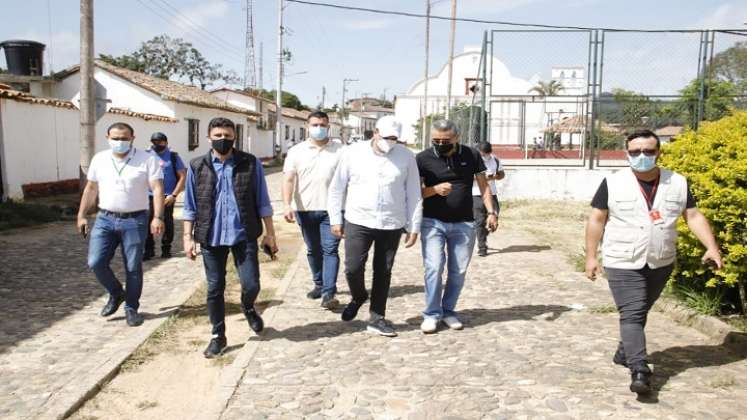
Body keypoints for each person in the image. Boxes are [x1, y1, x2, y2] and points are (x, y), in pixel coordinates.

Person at [585, 129, 723, 395]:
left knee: (639, 310)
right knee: (633, 312)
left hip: (661, 260)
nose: (642, 156)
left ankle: (626, 349)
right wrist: (591, 257)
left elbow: (692, 216)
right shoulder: (612, 182)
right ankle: (640, 369)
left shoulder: (678, 182)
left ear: (658, 152)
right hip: (622, 259)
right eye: (635, 152)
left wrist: (712, 247)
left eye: (648, 151)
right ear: (627, 153)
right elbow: (596, 219)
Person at [182, 117, 278, 358]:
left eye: (227, 136)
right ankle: (218, 336)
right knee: (215, 287)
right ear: (208, 138)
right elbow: (190, 205)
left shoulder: (250, 163)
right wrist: (187, 237)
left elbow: (263, 202)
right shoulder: (197, 166)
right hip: (210, 236)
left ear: (234, 137)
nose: (223, 140)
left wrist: (270, 234)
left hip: (243, 233)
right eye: (218, 136)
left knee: (252, 283)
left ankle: (248, 307)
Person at [328, 115, 422, 337]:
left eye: (395, 138)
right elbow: (337, 188)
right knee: (353, 267)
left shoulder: (407, 157)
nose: (390, 141)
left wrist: (414, 226)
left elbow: (414, 193)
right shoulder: (352, 153)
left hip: (392, 222)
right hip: (358, 219)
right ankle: (359, 296)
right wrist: (335, 218)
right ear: (376, 132)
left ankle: (377, 316)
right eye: (387, 137)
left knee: (383, 270)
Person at [77, 122, 165, 327]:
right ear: (107, 137)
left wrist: (158, 217)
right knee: (96, 262)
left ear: (132, 138)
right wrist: (81, 214)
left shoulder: (147, 159)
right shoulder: (100, 159)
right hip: (105, 219)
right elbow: (91, 188)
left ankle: (131, 307)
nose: (119, 142)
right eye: (115, 138)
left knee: (133, 266)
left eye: (124, 138)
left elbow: (158, 189)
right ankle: (117, 293)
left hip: (135, 220)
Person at [416, 120, 499, 334]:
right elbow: (415, 192)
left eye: (446, 140)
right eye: (436, 140)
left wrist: (491, 212)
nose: (440, 143)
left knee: (458, 271)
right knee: (434, 267)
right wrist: (434, 189)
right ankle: (432, 314)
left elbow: (484, 186)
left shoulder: (471, 155)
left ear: (456, 138)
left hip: (464, 223)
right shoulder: (423, 158)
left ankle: (448, 310)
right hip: (432, 222)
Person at [282, 111, 344, 309]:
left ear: (328, 127)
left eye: (323, 124)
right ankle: (319, 284)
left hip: (333, 211)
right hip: (305, 209)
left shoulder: (341, 150)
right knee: (313, 250)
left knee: (330, 249)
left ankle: (329, 293)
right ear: (307, 126)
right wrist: (286, 204)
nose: (319, 128)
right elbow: (289, 178)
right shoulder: (296, 151)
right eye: (315, 124)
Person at [144, 132, 186, 260]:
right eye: (155, 142)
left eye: (160, 142)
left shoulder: (173, 157)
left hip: (167, 196)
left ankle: (166, 248)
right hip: (149, 195)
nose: (158, 144)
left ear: (166, 142)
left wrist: (174, 195)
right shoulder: (145, 155)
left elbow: (183, 176)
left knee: (167, 221)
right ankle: (148, 249)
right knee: (147, 222)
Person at [472, 142, 505, 257]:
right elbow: (467, 178)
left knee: (493, 219)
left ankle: (482, 235)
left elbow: (502, 174)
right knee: (480, 220)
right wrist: (482, 178)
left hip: (492, 194)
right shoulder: (473, 160)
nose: (484, 156)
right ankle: (482, 247)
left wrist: (494, 176)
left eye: (486, 154)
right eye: (482, 154)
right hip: (476, 194)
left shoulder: (495, 160)